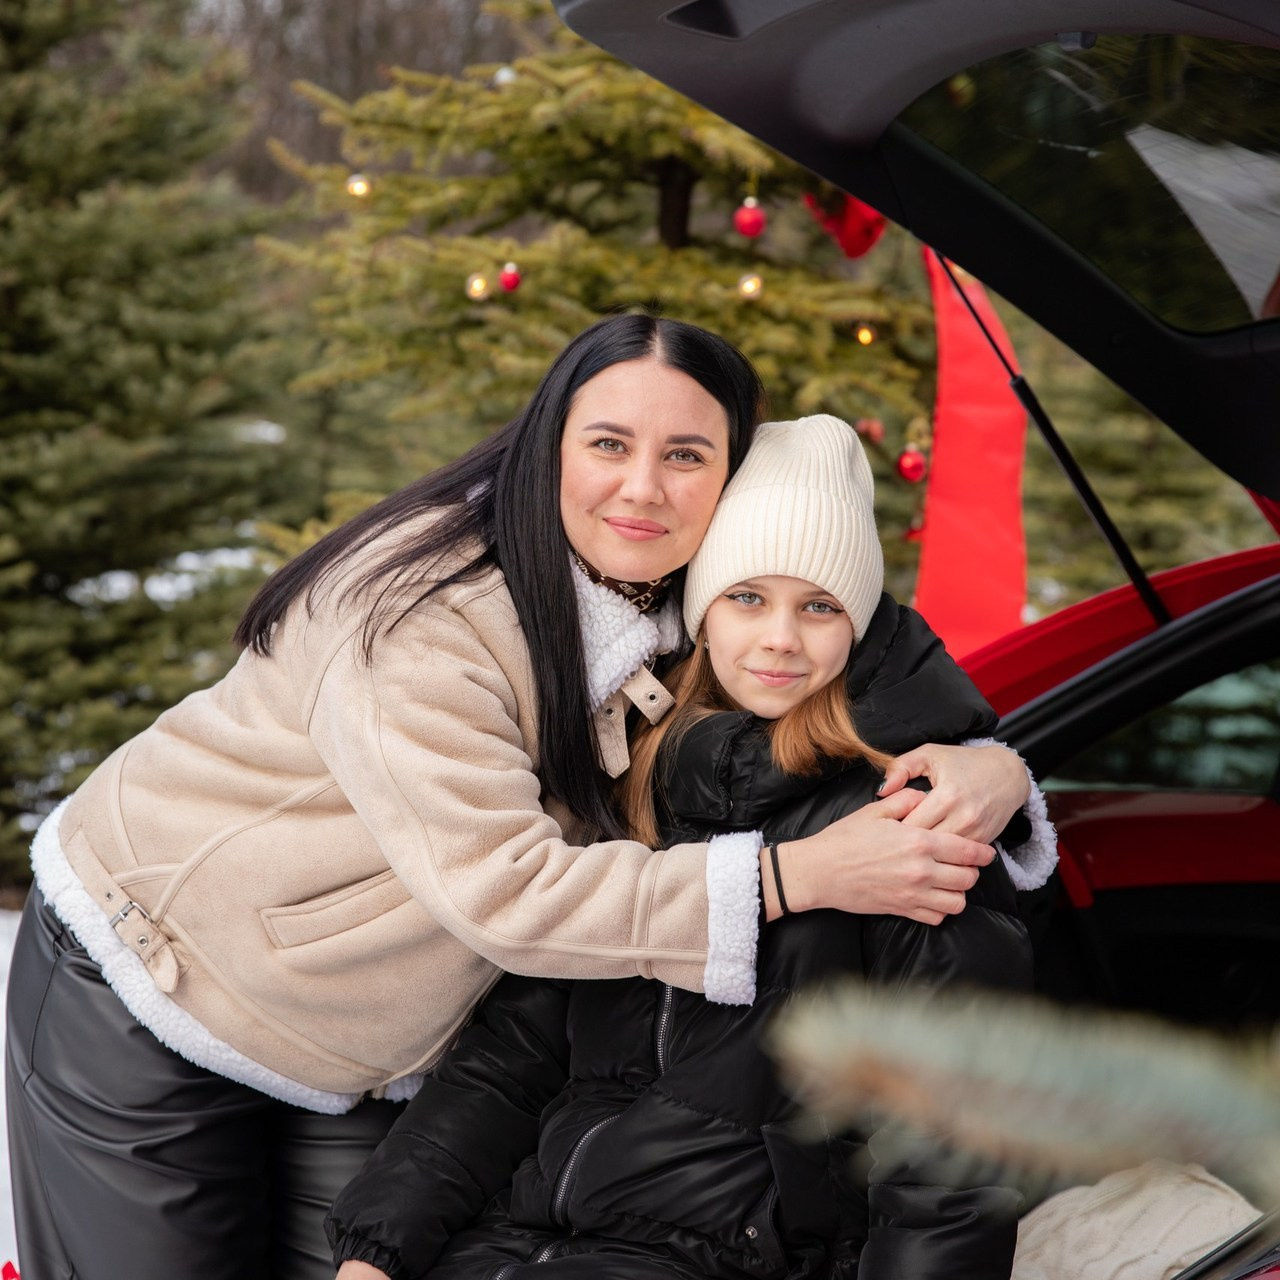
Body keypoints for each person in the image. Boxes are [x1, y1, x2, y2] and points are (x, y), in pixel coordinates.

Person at [5, 317, 1040, 1280]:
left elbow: (844, 627)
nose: (641, 486)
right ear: (548, 443)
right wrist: (789, 876)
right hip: (158, 971)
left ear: (728, 480)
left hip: (367, 1028)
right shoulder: (416, 617)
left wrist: (992, 768)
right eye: (606, 443)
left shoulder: (686, 603)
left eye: (685, 454)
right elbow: (509, 893)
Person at [325, 414, 1056, 1280]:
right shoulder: (636, 779)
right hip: (528, 1238)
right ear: (702, 611)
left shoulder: (907, 824)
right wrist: (376, 1249)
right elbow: (513, 1061)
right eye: (747, 597)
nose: (780, 637)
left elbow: (950, 1150)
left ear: (857, 623)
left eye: (818, 606)